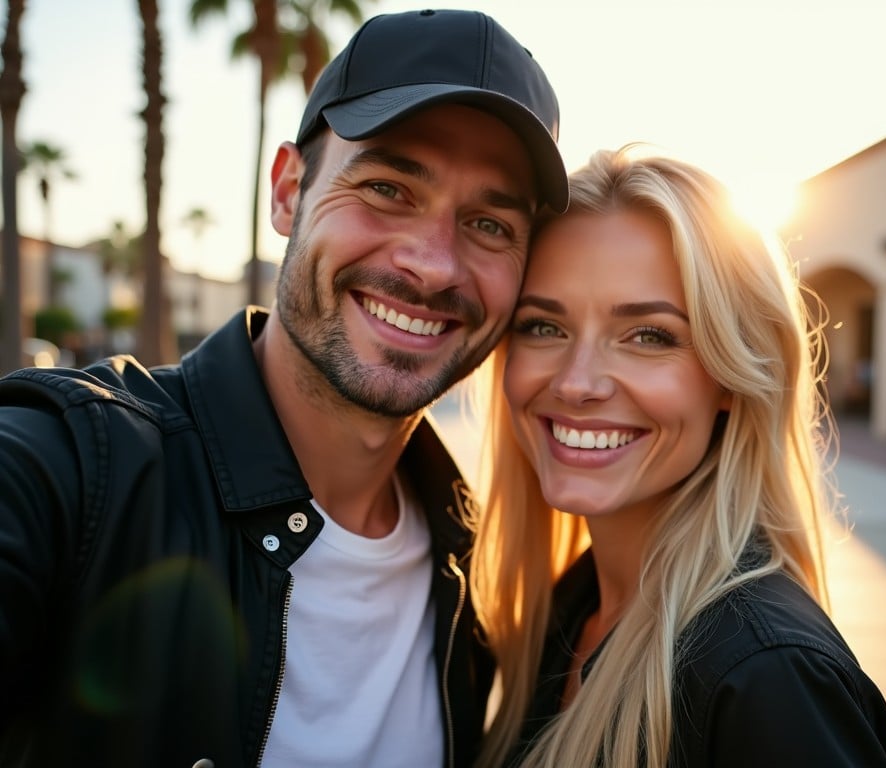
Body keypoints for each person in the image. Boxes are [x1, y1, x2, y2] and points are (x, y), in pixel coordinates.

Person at [0, 10, 567, 768]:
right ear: (288, 191)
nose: (433, 265)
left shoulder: (475, 576)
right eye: (388, 187)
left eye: (490, 224)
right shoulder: (76, 469)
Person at [470, 148, 886, 767]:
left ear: (731, 379)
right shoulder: (571, 606)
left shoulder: (768, 676)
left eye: (649, 336)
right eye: (543, 326)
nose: (577, 383)